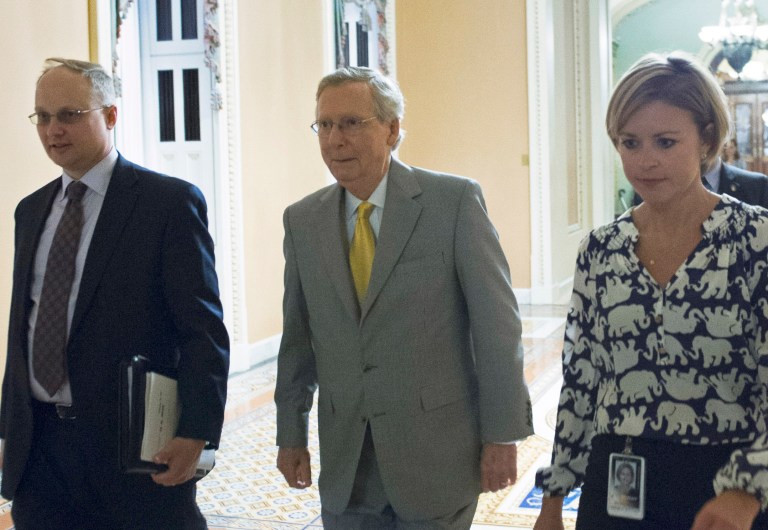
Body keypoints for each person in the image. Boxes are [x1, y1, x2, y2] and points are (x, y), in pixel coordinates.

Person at [274, 66, 533, 528]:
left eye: (352, 123)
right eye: (325, 125)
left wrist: (502, 436)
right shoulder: (302, 221)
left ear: (392, 129)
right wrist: (290, 435)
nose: (335, 140)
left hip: (437, 458)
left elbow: (498, 327)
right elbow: (297, 340)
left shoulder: (452, 202)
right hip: (348, 464)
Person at [533, 51, 768, 530]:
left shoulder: (755, 241)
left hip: (728, 488)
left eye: (665, 141)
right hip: (616, 482)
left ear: (706, 139)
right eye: (630, 142)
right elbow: (581, 383)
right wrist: (554, 501)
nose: (646, 161)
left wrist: (749, 489)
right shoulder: (600, 250)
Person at [1, 58, 230, 529]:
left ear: (109, 115)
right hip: (42, 452)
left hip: (131, 446)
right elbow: (22, 330)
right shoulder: (32, 210)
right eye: (42, 117)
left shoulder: (167, 203)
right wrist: (10, 430)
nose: (53, 130)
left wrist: (198, 432)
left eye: (69, 115)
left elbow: (201, 328)